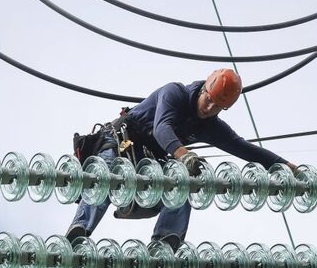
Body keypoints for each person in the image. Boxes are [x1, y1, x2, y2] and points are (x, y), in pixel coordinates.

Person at [65, 68, 299, 249]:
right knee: (106, 175)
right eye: (209, 99)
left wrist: (288, 167)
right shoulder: (174, 93)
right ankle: (80, 230)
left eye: (218, 106)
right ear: (204, 89)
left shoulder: (210, 126)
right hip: (119, 142)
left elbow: (244, 148)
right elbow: (162, 129)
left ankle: (165, 243)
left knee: (181, 183)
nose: (209, 107)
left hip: (147, 160)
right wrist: (184, 156)